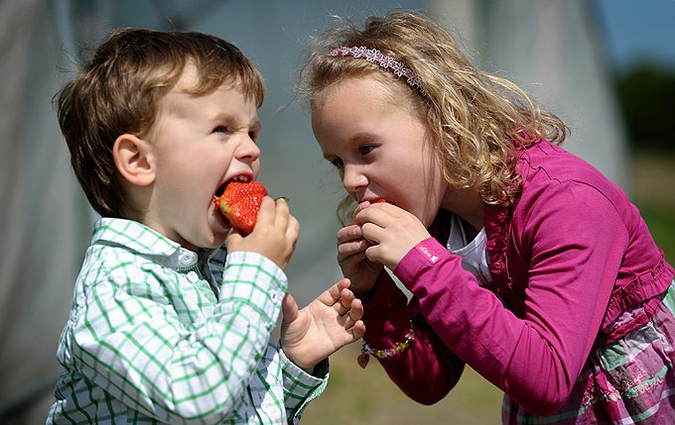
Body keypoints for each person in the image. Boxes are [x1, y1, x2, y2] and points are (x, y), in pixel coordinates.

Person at [296, 10, 675, 424]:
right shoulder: (442, 219)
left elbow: (547, 380)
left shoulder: (565, 202)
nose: (350, 179)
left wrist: (426, 264)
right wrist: (376, 295)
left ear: (443, 117)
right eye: (337, 161)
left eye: (366, 149)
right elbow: (431, 381)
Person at [47, 27, 365, 424]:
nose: (251, 148)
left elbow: (235, 408)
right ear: (139, 162)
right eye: (222, 129)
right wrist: (255, 274)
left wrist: (293, 362)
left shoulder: (215, 268)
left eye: (252, 131)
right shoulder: (114, 287)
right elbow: (194, 400)